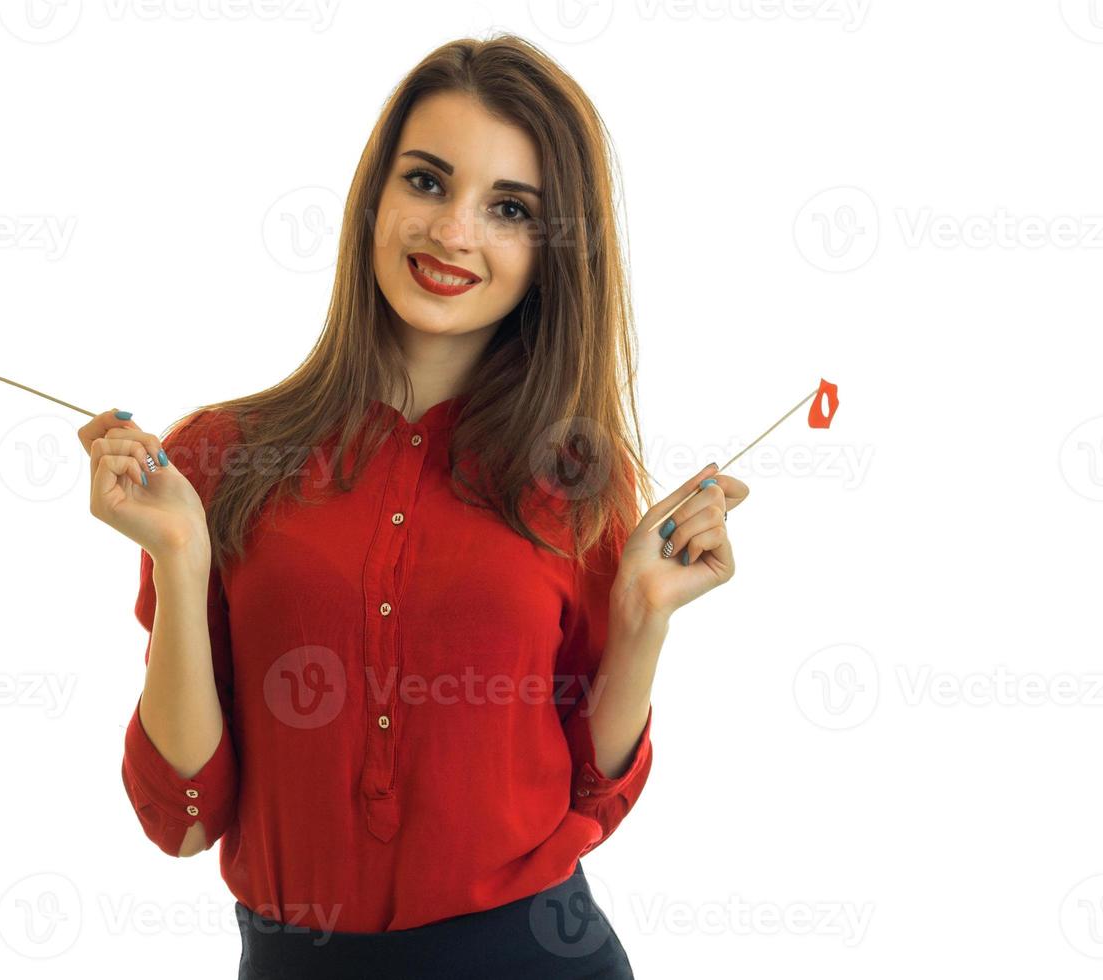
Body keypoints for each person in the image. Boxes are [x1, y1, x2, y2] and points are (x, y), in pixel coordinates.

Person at [77, 32, 748, 979]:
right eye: (427, 183)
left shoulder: (581, 478)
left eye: (508, 208)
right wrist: (184, 562)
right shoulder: (219, 460)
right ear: (374, 199)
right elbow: (184, 824)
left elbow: (587, 803)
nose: (453, 232)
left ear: (553, 252)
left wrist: (640, 620)